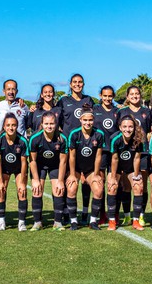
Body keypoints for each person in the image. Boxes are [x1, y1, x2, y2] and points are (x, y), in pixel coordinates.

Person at [57, 74, 95, 225]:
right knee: (69, 179)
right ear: (70, 84)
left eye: (80, 82)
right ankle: (67, 213)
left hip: (85, 145)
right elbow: (57, 119)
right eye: (75, 82)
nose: (77, 84)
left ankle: (85, 212)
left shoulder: (88, 100)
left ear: (83, 84)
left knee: (86, 182)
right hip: (69, 146)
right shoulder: (63, 101)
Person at [116, 85, 152, 226]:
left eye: (137, 93)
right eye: (131, 94)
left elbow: (150, 129)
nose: (135, 96)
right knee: (125, 186)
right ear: (127, 97)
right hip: (126, 153)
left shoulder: (146, 111)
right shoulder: (122, 111)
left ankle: (141, 215)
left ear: (140, 95)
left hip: (142, 152)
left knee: (140, 185)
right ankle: (126, 215)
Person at [66, 105, 105, 230]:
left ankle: (93, 221)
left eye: (90, 120)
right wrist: (72, 174)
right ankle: (73, 221)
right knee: (72, 188)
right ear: (80, 120)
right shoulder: (74, 134)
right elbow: (71, 156)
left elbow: (98, 156)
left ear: (93, 120)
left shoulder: (99, 134)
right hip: (76, 168)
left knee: (98, 190)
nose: (88, 123)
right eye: (85, 120)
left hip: (90, 170)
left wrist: (97, 173)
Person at [28, 111, 68, 231]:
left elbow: (63, 161)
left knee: (59, 190)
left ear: (56, 124)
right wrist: (35, 180)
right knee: (37, 191)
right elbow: (32, 161)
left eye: (51, 123)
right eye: (46, 123)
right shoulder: (35, 138)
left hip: (55, 166)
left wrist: (61, 181)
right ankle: (37, 222)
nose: (49, 126)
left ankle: (57, 222)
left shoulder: (62, 138)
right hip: (39, 166)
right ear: (42, 124)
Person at [107, 115, 144, 231]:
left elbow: (137, 159)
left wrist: (136, 176)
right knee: (112, 187)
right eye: (125, 127)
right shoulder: (115, 139)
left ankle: (136, 220)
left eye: (130, 127)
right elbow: (114, 159)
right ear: (120, 127)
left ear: (134, 127)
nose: (127, 129)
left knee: (138, 187)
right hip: (116, 167)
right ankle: (112, 221)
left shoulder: (138, 139)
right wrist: (113, 177)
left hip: (130, 168)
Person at [0, 114, 30, 231]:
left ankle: (21, 223)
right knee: (0, 191)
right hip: (4, 168)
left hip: (19, 169)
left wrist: (23, 182)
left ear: (17, 126)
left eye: (14, 125)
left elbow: (24, 163)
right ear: (4, 127)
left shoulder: (23, 141)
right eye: (8, 125)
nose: (11, 128)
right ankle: (1, 222)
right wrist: (0, 181)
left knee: (22, 191)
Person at [92, 85, 117, 225]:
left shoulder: (117, 111)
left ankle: (114, 214)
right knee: (100, 184)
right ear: (100, 96)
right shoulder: (95, 109)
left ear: (113, 96)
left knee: (113, 184)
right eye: (105, 96)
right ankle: (101, 215)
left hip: (114, 152)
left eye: (110, 96)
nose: (107, 98)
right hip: (100, 152)